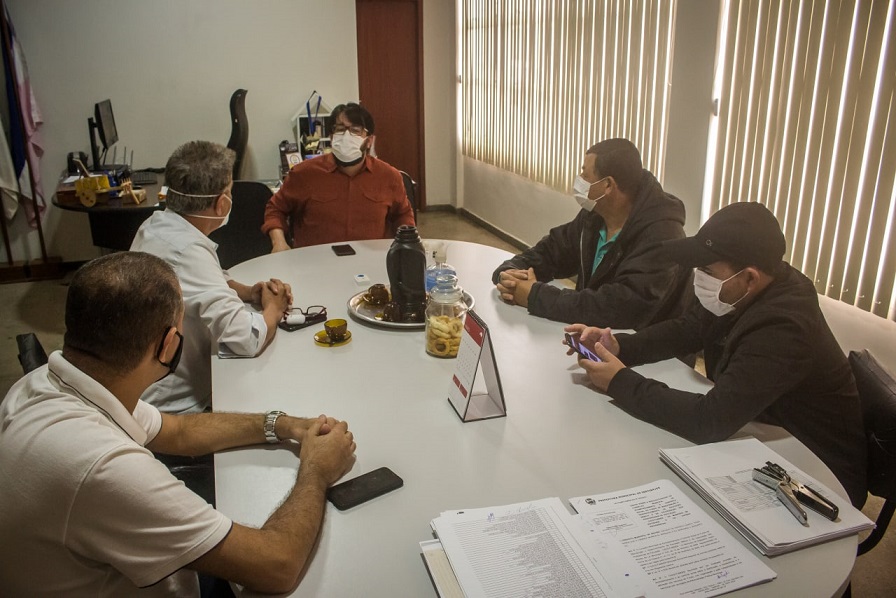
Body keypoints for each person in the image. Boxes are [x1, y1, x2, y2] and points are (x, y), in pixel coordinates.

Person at [0, 252, 356, 595]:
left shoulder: (52, 383)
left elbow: (180, 432)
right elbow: (277, 565)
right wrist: (316, 469)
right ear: (168, 345)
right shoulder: (102, 467)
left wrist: (282, 425)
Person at [566, 202, 867, 507]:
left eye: (707, 270)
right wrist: (619, 347)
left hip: (818, 473)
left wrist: (619, 381)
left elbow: (709, 420)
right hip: (762, 433)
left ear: (750, 277)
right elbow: (691, 327)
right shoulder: (748, 288)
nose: (698, 277)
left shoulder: (785, 325)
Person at [131, 140, 292, 413]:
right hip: (178, 408)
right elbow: (246, 338)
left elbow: (204, 279)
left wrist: (249, 292)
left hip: (144, 386)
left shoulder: (156, 226)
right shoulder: (188, 251)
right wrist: (273, 310)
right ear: (222, 203)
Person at [493, 138, 692, 329]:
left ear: (608, 185)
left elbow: (621, 307)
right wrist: (511, 271)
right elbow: (554, 250)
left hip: (646, 353)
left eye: (585, 175)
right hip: (593, 337)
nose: (579, 181)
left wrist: (535, 296)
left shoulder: (663, 234)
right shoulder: (595, 215)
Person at [262, 102, 415, 250]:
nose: (347, 136)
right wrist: (279, 243)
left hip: (370, 262)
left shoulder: (389, 176)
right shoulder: (304, 174)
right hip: (314, 263)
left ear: (369, 141)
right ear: (331, 137)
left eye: (355, 130)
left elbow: (403, 215)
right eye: (340, 129)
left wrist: (406, 245)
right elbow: (276, 209)